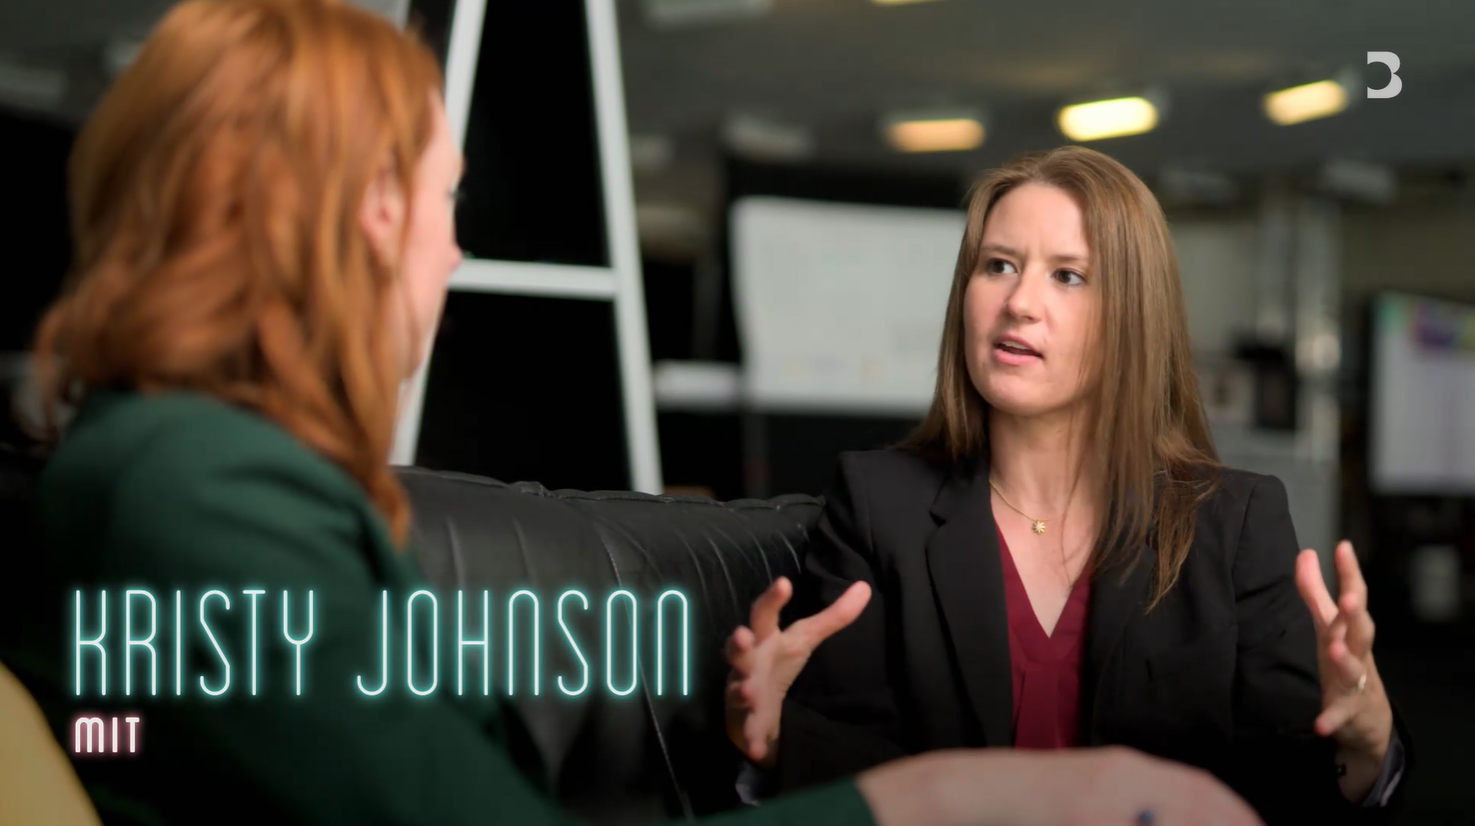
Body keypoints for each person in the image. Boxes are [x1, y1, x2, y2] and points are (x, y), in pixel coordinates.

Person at [0, 1, 1268, 824]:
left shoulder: (171, 468)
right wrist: (950, 802)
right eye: (446, 203)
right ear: (369, 217)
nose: (452, 254)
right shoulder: (199, 491)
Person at [723, 146, 1412, 824]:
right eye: (998, 265)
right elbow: (862, 776)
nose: (1019, 302)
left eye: (1068, 276)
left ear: (1133, 317)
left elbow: (1284, 792)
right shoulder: (878, 504)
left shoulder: (1234, 522)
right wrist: (778, 737)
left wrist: (1366, 745)